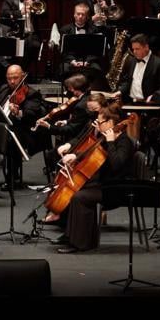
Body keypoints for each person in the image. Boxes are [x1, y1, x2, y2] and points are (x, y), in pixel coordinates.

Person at [51, 104, 136, 253]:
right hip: (102, 183)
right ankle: (72, 236)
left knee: (79, 197)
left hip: (115, 188)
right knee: (74, 189)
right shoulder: (103, 137)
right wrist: (75, 156)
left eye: (100, 122)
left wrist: (110, 142)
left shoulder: (124, 141)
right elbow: (90, 154)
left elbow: (116, 165)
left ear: (110, 123)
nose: (97, 124)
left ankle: (81, 243)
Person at [115, 34, 160, 102]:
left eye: (137, 49)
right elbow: (127, 81)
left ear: (146, 47)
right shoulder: (131, 61)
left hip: (148, 104)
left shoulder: (159, 63)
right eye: (133, 49)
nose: (134, 52)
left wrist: (154, 96)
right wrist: (120, 91)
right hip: (130, 102)